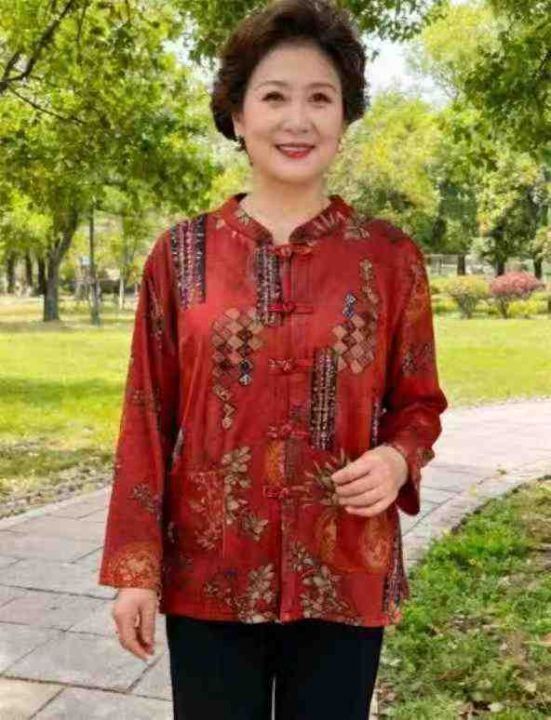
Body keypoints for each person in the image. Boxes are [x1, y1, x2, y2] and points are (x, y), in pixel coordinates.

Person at [98, 0, 449, 717]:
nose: (298, 120)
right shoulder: (181, 256)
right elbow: (146, 419)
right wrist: (135, 569)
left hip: (345, 566)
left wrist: (397, 459)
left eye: (320, 98)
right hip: (209, 571)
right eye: (274, 97)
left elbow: (417, 402)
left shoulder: (389, 257)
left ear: (344, 118)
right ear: (236, 114)